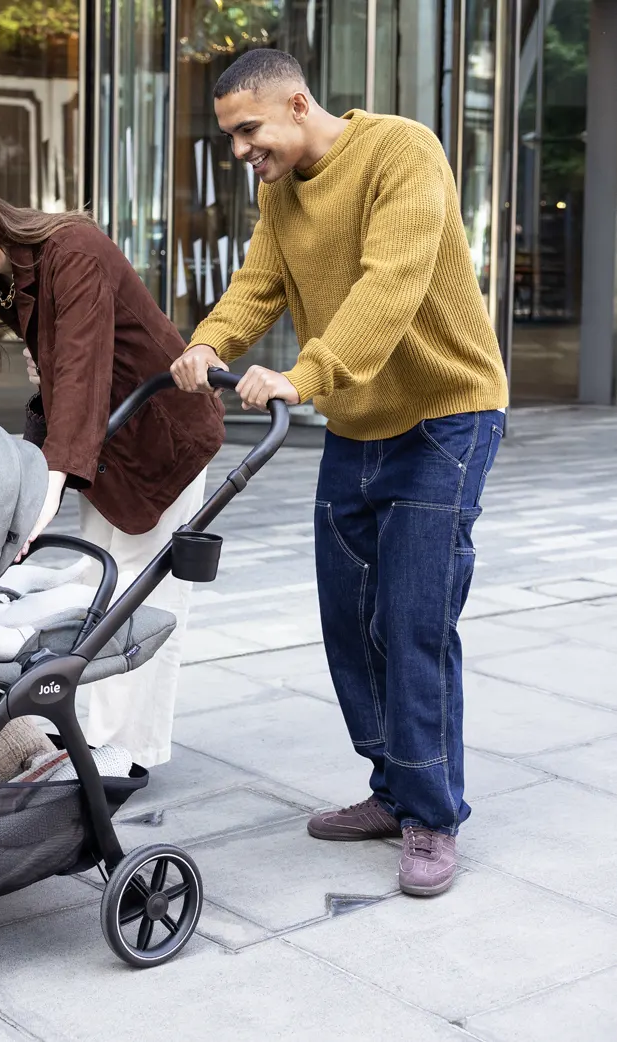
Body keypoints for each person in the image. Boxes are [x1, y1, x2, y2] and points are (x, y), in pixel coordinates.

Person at [171, 49, 508, 896]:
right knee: (349, 619)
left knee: (411, 617)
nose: (241, 148)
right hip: (360, 424)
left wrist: (303, 374)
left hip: (446, 413)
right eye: (230, 135)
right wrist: (210, 341)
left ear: (296, 102)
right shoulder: (278, 192)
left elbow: (387, 286)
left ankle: (431, 815)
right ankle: (393, 789)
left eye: (248, 129)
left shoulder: (401, 150)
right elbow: (260, 283)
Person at [0, 176, 226, 768]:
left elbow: (82, 368)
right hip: (110, 441)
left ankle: (127, 754)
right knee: (102, 586)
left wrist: (51, 480)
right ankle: (100, 737)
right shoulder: (8, 280)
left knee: (144, 597)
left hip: (163, 436)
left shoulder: (75, 250)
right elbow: (67, 372)